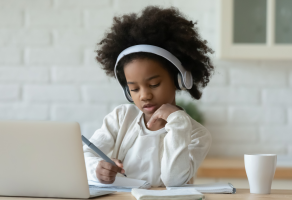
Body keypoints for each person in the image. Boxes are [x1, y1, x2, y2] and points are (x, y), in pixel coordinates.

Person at [83, 6, 214, 187]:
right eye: (134, 89)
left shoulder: (198, 135)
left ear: (179, 79)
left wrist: (177, 122)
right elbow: (85, 154)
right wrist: (97, 168)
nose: (144, 95)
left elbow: (174, 181)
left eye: (154, 85)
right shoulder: (121, 118)